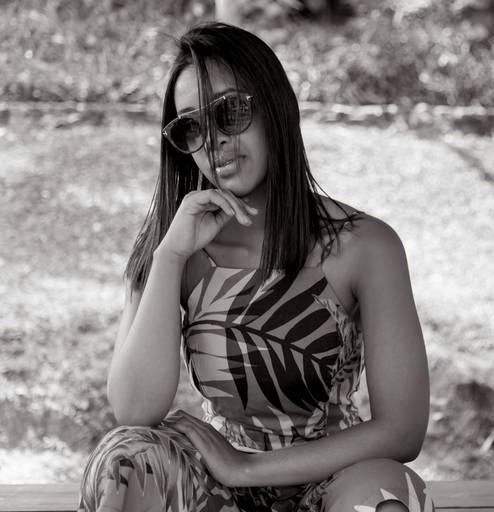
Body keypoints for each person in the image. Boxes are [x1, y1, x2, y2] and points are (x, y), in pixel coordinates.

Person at [77, 22, 431, 512]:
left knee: (390, 495)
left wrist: (247, 467)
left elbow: (403, 430)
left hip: (335, 480)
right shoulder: (173, 247)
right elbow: (134, 411)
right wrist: (169, 257)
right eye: (191, 127)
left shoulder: (367, 246)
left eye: (230, 112)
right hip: (216, 487)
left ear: (276, 108)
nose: (213, 141)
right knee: (124, 459)